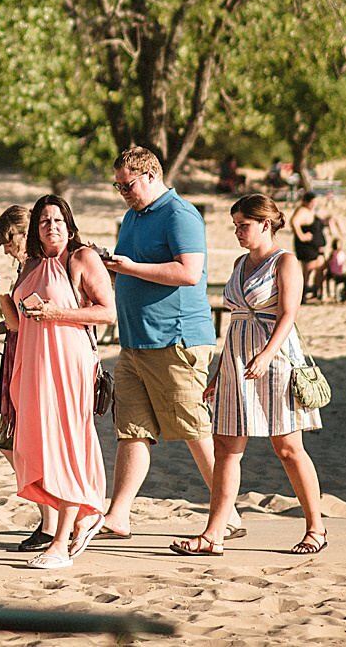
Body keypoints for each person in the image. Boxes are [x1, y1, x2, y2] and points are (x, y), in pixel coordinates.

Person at [172, 194, 327, 556]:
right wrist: (219, 372)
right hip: (237, 362)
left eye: (243, 225)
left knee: (288, 448)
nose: (238, 232)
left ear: (265, 223)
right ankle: (213, 534)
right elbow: (236, 321)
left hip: (274, 362)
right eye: (235, 225)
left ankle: (316, 528)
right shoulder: (241, 263)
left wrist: (266, 355)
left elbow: (288, 315)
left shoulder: (285, 262)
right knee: (226, 448)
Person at [101, 145, 241, 542]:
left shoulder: (180, 214)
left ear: (150, 176)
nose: (123, 192)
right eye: (118, 186)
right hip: (134, 340)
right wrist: (112, 269)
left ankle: (227, 514)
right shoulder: (132, 217)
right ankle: (119, 515)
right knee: (132, 430)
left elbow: (189, 272)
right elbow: (132, 269)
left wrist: (132, 268)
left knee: (194, 429)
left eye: (126, 184)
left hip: (175, 339)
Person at [0, 193, 111, 569]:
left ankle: (60, 541)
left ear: (69, 223)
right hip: (33, 362)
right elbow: (18, 323)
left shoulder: (81, 258)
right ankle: (81, 518)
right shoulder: (32, 264)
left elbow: (107, 313)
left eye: (58, 221)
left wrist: (58, 312)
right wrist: (2, 298)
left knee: (66, 441)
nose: (51, 227)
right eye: (45, 222)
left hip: (69, 360)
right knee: (41, 442)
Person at [0, 204, 57, 550]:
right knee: (14, 444)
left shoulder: (41, 267)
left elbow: (20, 321)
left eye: (9, 240)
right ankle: (50, 519)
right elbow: (17, 320)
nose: (6, 248)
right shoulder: (28, 266)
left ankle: (52, 521)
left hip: (31, 362)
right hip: (18, 357)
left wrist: (0, 298)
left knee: (23, 445)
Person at [290, 192, 337, 301]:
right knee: (308, 271)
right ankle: (304, 294)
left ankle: (316, 292)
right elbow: (294, 222)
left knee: (321, 268)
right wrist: (302, 236)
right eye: (312, 202)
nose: (314, 204)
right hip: (308, 248)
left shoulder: (311, 211)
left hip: (316, 247)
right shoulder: (302, 211)